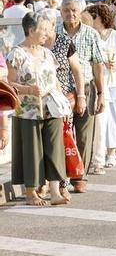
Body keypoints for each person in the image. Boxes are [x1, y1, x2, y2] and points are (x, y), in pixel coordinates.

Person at [8, 13, 70, 206]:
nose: (47, 33)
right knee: (31, 150)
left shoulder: (47, 53)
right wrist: (28, 90)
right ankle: (31, 192)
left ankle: (54, 191)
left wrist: (64, 105)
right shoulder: (16, 53)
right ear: (31, 30)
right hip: (28, 110)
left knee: (54, 148)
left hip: (51, 107)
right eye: (43, 29)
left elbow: (55, 81)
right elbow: (8, 83)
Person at [59, 0, 106, 193]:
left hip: (86, 88)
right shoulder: (54, 33)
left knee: (85, 135)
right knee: (61, 134)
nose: (71, 14)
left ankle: (80, 175)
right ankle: (62, 176)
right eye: (67, 10)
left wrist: (101, 92)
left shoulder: (91, 34)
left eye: (74, 10)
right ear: (61, 13)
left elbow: (97, 65)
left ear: (80, 12)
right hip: (61, 90)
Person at [86, 3, 116, 171]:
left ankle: (112, 152)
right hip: (99, 82)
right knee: (100, 120)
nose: (91, 20)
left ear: (101, 18)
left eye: (94, 16)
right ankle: (99, 155)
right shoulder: (91, 35)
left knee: (115, 118)